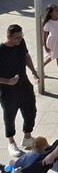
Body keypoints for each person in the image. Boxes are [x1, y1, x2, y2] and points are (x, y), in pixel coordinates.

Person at [0, 24, 38, 159]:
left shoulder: (21, 43)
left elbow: (26, 56)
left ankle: (27, 137)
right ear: (8, 37)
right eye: (17, 38)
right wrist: (8, 81)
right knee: (10, 116)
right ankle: (11, 142)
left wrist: (33, 71)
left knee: (31, 111)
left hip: (24, 85)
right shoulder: (1, 50)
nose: (20, 40)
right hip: (7, 91)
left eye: (21, 36)